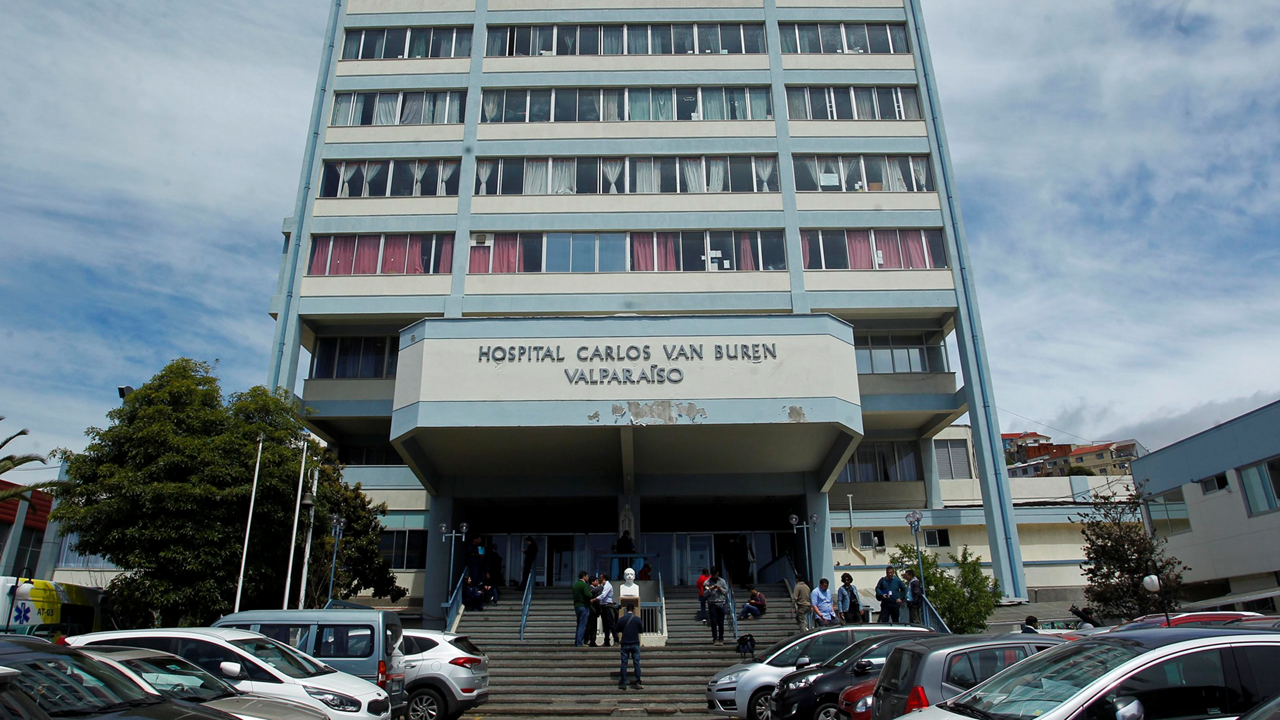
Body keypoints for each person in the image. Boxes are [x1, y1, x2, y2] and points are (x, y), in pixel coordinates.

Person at [615, 604, 644, 690]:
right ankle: (638, 682)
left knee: (624, 663)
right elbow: (641, 630)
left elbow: (617, 629)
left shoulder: (622, 619)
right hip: (635, 643)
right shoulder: (637, 619)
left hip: (625, 643)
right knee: (636, 663)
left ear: (626, 609)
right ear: (634, 610)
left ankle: (624, 683)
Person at [703, 567, 729, 645]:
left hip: (721, 603)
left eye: (716, 574)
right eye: (713, 574)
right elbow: (704, 593)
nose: (715, 576)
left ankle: (721, 638)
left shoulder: (722, 581)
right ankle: (715, 639)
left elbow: (726, 592)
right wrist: (711, 589)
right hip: (712, 603)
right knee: (714, 622)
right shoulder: (707, 582)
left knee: (721, 622)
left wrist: (721, 589)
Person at [573, 571, 592, 647]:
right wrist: (590, 593)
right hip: (583, 605)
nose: (587, 578)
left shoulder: (575, 585)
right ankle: (580, 642)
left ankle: (577, 642)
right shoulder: (583, 585)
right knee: (582, 625)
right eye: (587, 576)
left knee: (579, 624)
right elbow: (588, 595)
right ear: (584, 576)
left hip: (577, 606)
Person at [597, 572, 617, 647]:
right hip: (603, 606)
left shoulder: (607, 586)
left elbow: (603, 595)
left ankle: (616, 639)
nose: (599, 579)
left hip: (608, 606)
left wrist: (595, 599)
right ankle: (606, 641)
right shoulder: (602, 585)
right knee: (605, 625)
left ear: (604, 578)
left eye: (601, 577)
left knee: (610, 624)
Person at [586, 576, 603, 647]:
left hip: (594, 610)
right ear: (592, 582)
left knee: (593, 626)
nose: (597, 582)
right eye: (596, 581)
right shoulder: (590, 588)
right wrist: (601, 586)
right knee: (591, 626)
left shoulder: (594, 589)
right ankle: (590, 640)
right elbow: (596, 591)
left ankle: (592, 640)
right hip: (592, 610)